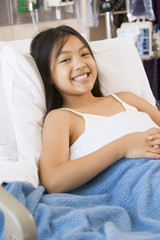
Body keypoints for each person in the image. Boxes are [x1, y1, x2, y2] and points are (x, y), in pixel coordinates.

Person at [30, 25, 160, 194]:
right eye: (65, 60)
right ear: (49, 76)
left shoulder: (127, 99)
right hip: (138, 184)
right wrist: (123, 147)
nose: (80, 64)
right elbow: (53, 180)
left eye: (85, 54)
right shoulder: (61, 118)